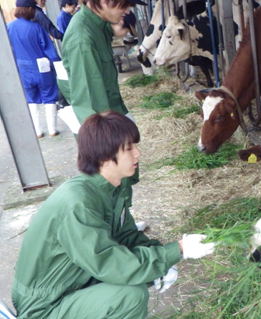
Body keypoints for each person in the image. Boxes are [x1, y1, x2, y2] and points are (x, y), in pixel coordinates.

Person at [11, 111, 216, 319]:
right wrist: (176, 250)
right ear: (104, 156)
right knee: (129, 296)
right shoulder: (78, 203)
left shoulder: (108, 190)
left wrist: (162, 263)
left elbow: (126, 238)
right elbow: (109, 263)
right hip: (45, 305)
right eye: (129, 148)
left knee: (138, 278)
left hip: (74, 284)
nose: (138, 154)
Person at [57, 0, 145, 125]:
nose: (127, 11)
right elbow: (90, 106)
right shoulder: (83, 39)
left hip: (111, 117)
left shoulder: (99, 27)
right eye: (124, 4)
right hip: (102, 130)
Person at [7, 0, 61, 138]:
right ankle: (52, 130)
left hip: (23, 70)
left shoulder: (9, 27)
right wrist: (58, 64)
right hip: (42, 69)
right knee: (49, 97)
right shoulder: (36, 28)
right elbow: (49, 50)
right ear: (30, 9)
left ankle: (37, 132)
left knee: (31, 100)